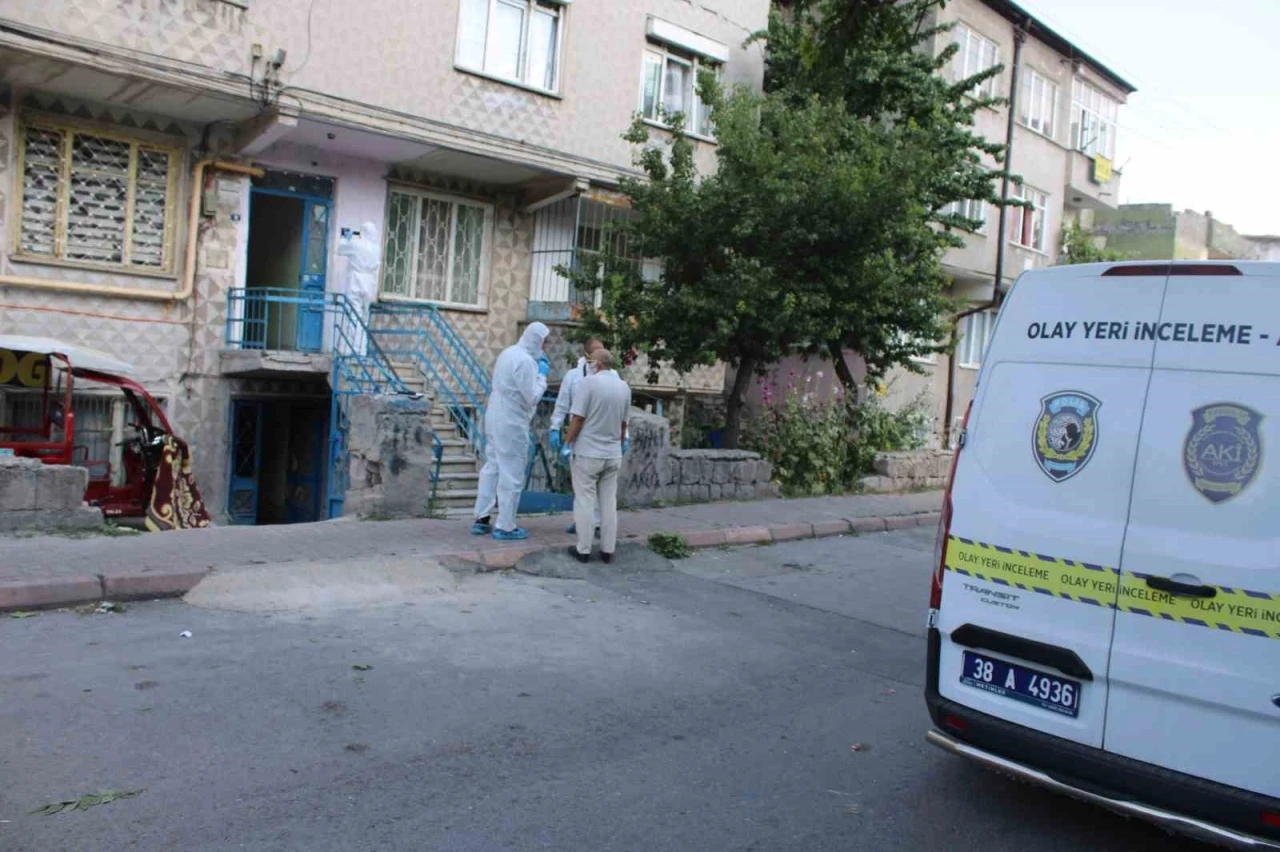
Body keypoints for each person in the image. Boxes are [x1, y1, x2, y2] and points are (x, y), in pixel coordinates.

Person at [471, 322, 551, 541]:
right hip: (511, 420)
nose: (546, 346)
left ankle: (482, 518)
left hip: (494, 414)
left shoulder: (508, 353)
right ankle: (505, 526)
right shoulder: (526, 362)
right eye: (545, 342)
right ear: (537, 340)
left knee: (492, 467)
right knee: (512, 472)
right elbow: (532, 396)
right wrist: (542, 377)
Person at [562, 349, 632, 563]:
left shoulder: (588, 383)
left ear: (598, 364)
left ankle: (583, 549)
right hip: (612, 454)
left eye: (591, 361)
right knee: (608, 502)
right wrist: (620, 444)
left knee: (584, 501)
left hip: (588, 453)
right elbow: (624, 424)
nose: (589, 365)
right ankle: (607, 550)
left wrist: (567, 443)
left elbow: (578, 419)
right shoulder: (623, 387)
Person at [549, 337, 603, 537]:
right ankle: (582, 521)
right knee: (580, 484)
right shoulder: (573, 376)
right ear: (586, 355)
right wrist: (555, 428)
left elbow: (620, 407)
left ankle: (597, 523)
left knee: (600, 483)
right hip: (579, 435)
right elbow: (562, 404)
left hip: (602, 435)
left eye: (602, 351)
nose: (600, 356)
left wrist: (626, 435)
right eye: (596, 351)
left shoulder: (612, 376)